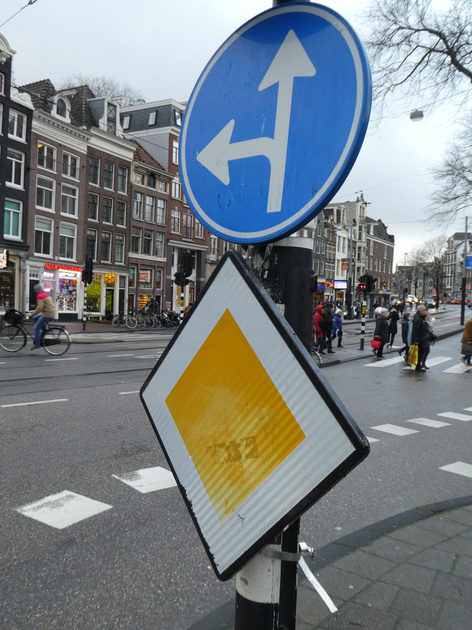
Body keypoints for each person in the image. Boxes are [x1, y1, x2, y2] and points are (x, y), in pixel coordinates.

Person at [29, 283, 55, 350]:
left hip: (47, 314)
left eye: (35, 290)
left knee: (36, 328)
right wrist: (33, 314)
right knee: (35, 318)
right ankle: (45, 330)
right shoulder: (46, 294)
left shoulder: (40, 296)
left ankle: (37, 344)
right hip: (50, 312)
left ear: (36, 290)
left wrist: (31, 314)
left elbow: (39, 308)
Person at [411, 304, 430, 372]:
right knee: (420, 352)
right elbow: (415, 330)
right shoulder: (418, 319)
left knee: (423, 351)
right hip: (421, 339)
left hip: (423, 338)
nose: (425, 311)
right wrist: (416, 340)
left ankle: (419, 365)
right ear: (420, 311)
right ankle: (418, 366)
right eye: (424, 310)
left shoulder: (421, 318)